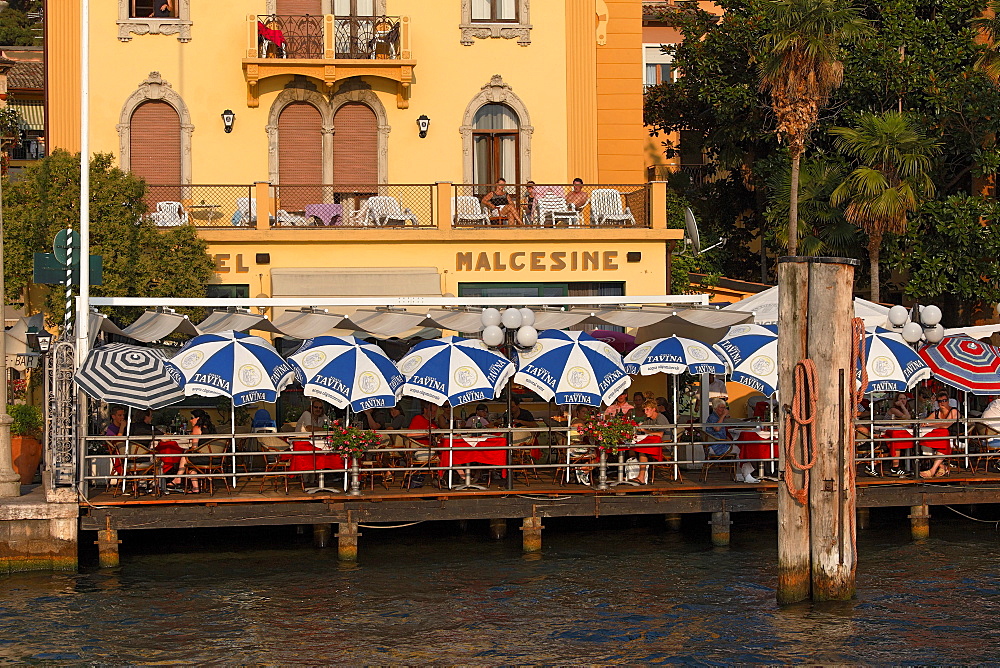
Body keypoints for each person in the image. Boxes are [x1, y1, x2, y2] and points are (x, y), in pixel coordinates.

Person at [705, 398, 757, 483]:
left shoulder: (716, 417)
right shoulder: (713, 417)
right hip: (716, 447)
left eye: (725, 408)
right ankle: (746, 475)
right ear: (715, 408)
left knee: (740, 449)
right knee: (742, 450)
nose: (724, 410)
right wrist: (723, 416)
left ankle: (740, 475)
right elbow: (717, 429)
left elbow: (722, 433)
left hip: (719, 444)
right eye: (722, 408)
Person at [918, 392, 957, 478]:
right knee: (923, 443)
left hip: (952, 437)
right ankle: (942, 466)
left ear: (948, 401)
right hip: (938, 436)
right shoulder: (936, 413)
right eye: (939, 401)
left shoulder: (953, 411)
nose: (942, 403)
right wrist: (925, 423)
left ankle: (933, 470)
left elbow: (947, 425)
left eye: (944, 400)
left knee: (941, 441)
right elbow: (924, 421)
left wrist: (930, 424)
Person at [633, 400, 670, 484]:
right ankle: (631, 474)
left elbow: (660, 435)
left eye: (647, 409)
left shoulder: (660, 418)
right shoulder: (649, 419)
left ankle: (641, 477)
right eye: (644, 410)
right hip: (655, 444)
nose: (645, 412)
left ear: (654, 409)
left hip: (665, 446)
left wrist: (645, 431)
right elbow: (641, 427)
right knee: (633, 449)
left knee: (642, 451)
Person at [405, 401, 439, 488]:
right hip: (420, 448)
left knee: (448, 454)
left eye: (435, 411)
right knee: (442, 455)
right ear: (425, 410)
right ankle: (418, 479)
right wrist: (425, 434)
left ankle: (440, 478)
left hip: (433, 447)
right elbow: (409, 435)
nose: (434, 413)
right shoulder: (418, 419)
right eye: (432, 411)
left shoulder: (433, 422)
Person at [885, 393, 913, 476]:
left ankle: (909, 466)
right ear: (896, 400)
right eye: (900, 399)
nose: (903, 401)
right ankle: (895, 467)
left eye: (904, 399)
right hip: (887, 432)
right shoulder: (893, 409)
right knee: (898, 441)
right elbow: (907, 417)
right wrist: (902, 406)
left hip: (899, 431)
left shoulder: (906, 409)